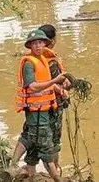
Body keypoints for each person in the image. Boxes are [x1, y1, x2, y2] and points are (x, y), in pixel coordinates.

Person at [10, 29, 67, 182]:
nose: (38, 46)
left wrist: (59, 87)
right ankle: (56, 178)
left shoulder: (43, 59)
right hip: (35, 111)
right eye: (34, 43)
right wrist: (55, 81)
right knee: (46, 145)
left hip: (44, 109)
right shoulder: (29, 63)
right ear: (30, 46)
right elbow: (33, 86)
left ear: (45, 44)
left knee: (31, 140)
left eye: (40, 42)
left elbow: (46, 84)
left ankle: (14, 167)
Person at [38, 24, 71, 174]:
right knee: (54, 141)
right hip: (53, 105)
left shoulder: (35, 59)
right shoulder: (49, 61)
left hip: (38, 106)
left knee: (41, 139)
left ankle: (49, 171)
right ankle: (54, 173)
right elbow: (51, 83)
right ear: (51, 40)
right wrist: (63, 91)